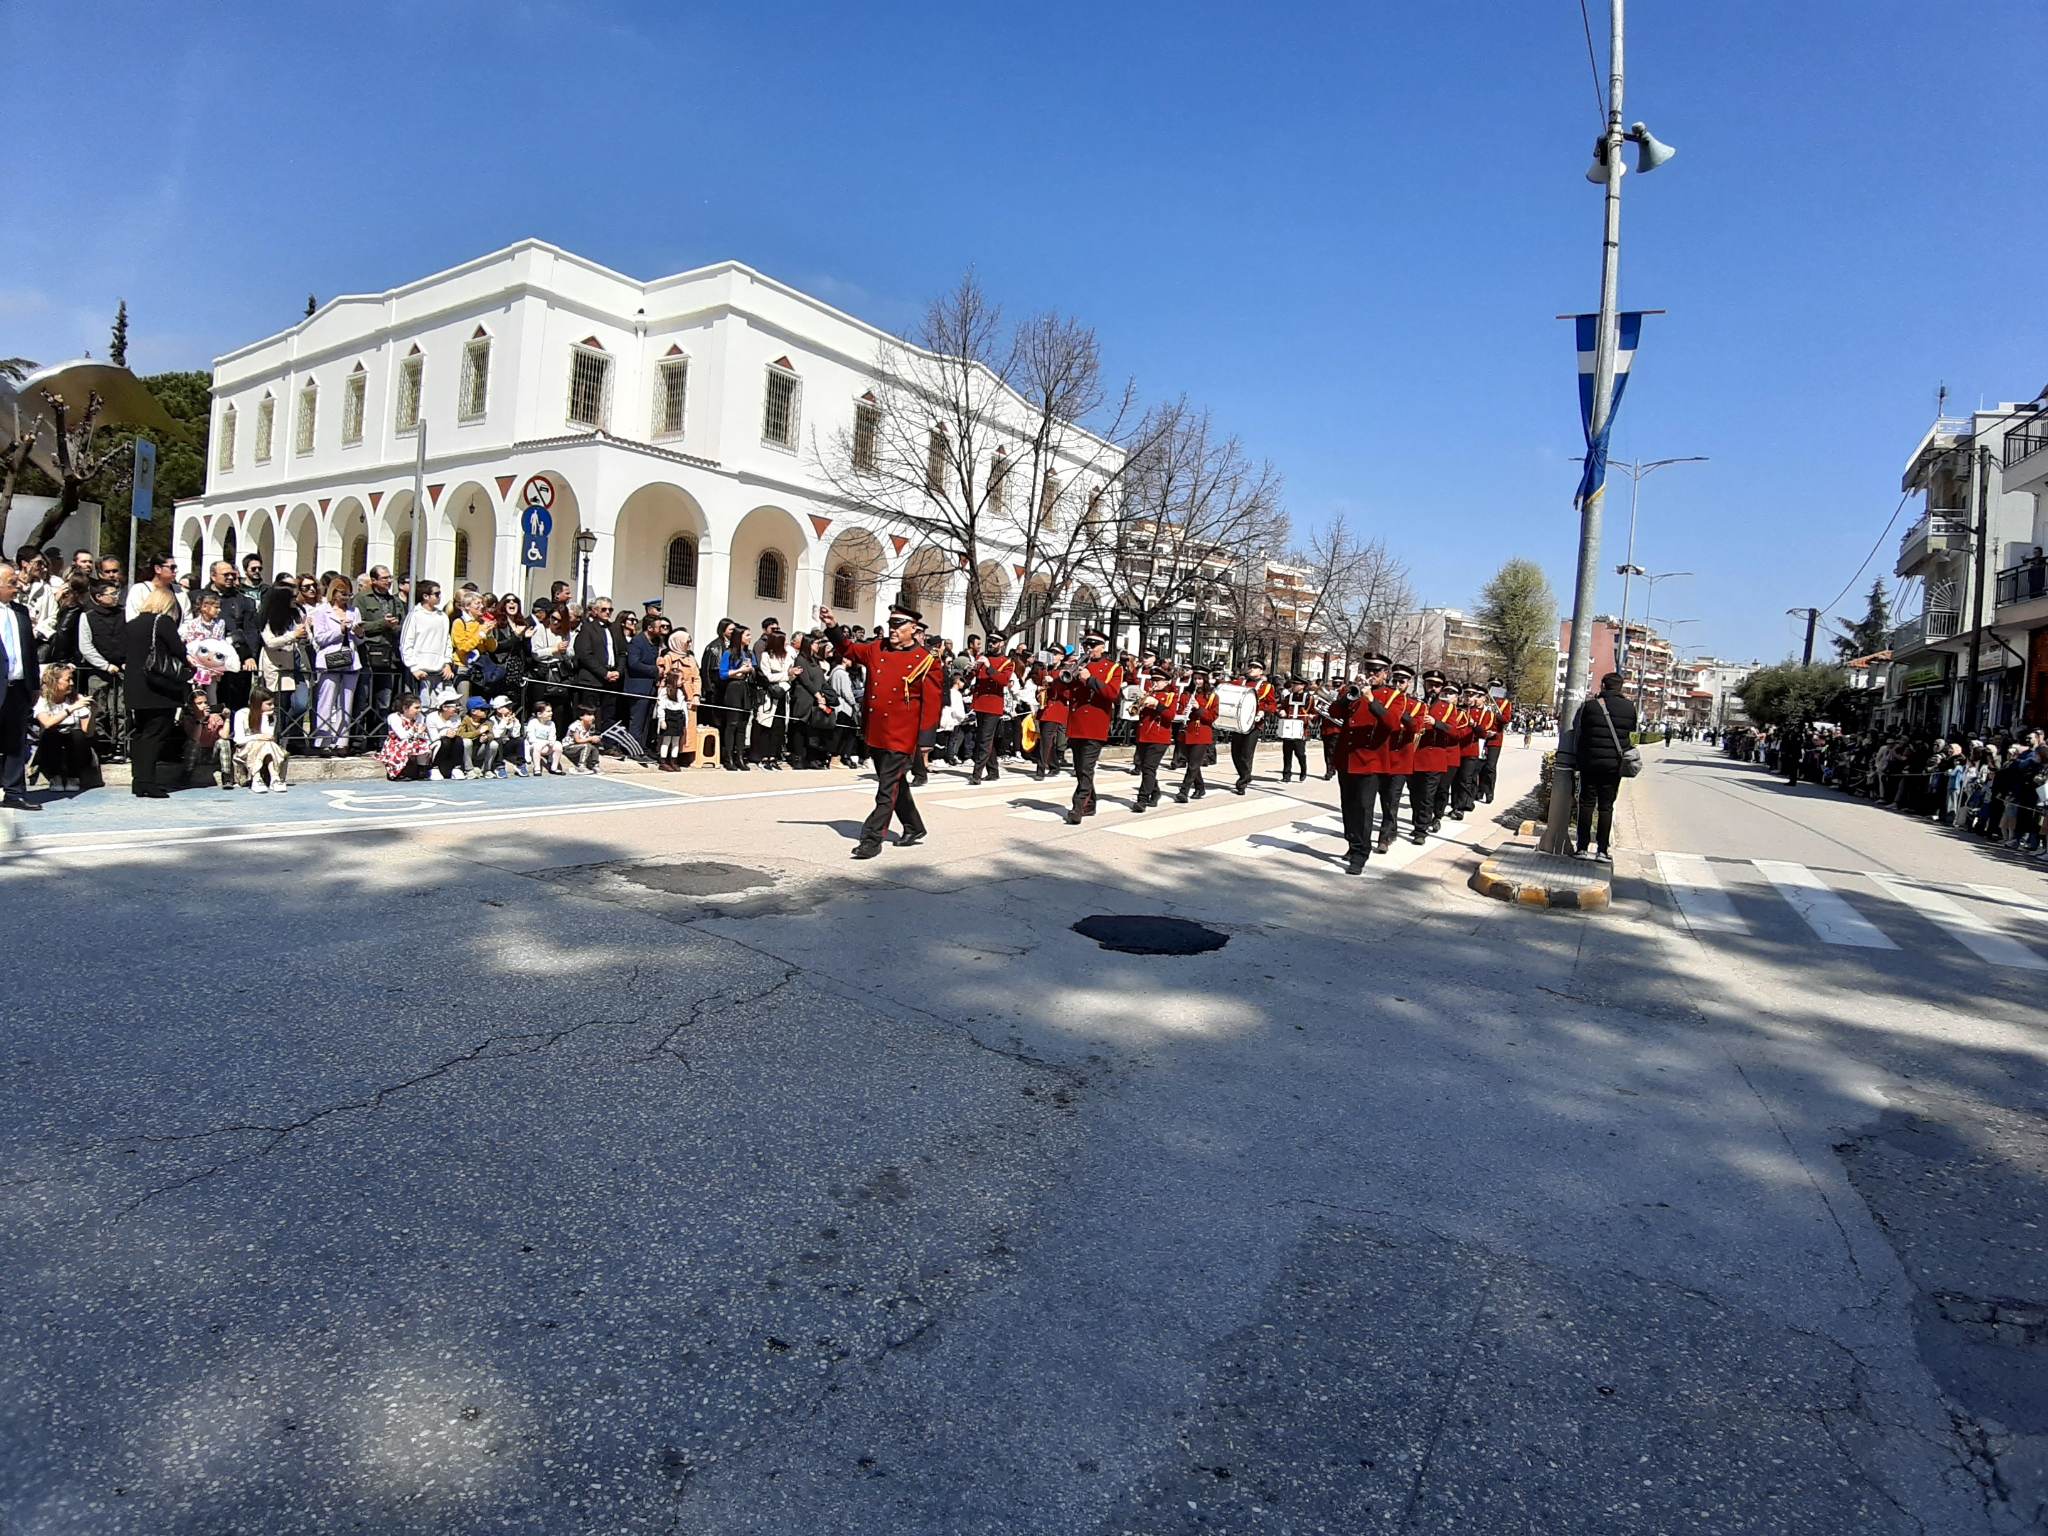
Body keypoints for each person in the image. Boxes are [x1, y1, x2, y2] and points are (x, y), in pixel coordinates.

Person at [822, 603, 940, 860]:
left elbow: (932, 703)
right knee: (895, 783)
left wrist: (926, 739)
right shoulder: (878, 648)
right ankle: (914, 826)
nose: (893, 629)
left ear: (914, 628)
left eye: (899, 625)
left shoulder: (926, 661)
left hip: (902, 736)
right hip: (876, 731)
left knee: (885, 789)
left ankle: (871, 838)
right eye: (891, 624)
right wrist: (832, 626)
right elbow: (849, 649)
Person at [1334, 655, 1416, 873]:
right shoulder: (1353, 691)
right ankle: (1352, 844)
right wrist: (1349, 693)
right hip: (1347, 757)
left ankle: (1361, 853)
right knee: (1348, 806)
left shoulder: (1395, 697)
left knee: (1363, 807)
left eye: (1376, 672)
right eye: (1368, 670)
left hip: (1371, 759)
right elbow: (1335, 713)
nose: (1371, 675)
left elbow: (1391, 724)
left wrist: (1370, 698)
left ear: (1385, 674)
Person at [122, 585, 187, 799]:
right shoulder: (163, 622)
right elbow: (178, 650)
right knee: (155, 735)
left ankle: (139, 780)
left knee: (141, 734)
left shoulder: (132, 625)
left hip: (136, 687)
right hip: (159, 688)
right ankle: (149, 782)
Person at [1055, 630, 1123, 824]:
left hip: (1095, 724)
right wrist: (1062, 676)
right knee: (1080, 768)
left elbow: (1112, 693)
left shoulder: (1113, 668)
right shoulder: (1078, 665)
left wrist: (1090, 679)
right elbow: (1065, 694)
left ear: (1103, 647)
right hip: (1076, 723)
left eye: (1093, 646)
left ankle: (1077, 807)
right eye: (1086, 645)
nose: (1089, 649)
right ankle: (1090, 803)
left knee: (1086, 768)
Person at [1573, 670, 1638, 861]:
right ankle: (1602, 850)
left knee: (1586, 804)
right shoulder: (1629, 708)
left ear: (1603, 685)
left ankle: (1582, 848)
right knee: (1606, 806)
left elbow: (1580, 731)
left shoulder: (1590, 706)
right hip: (1613, 765)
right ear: (1621, 687)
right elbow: (1631, 734)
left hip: (1590, 762)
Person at [305, 576, 361, 753]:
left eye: (349, 594)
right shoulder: (322, 611)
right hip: (329, 659)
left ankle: (341, 742)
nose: (346, 598)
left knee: (346, 703)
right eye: (343, 594)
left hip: (350, 660)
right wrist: (340, 630)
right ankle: (323, 741)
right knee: (326, 700)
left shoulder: (354, 611)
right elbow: (320, 638)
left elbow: (359, 641)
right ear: (334, 593)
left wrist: (359, 633)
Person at [31, 662, 94, 792]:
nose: (71, 683)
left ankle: (73, 776)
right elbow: (47, 723)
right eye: (67, 679)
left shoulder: (77, 698)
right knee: (51, 734)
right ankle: (55, 776)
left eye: (72, 679)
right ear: (54, 681)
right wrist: (70, 709)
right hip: (51, 743)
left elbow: (87, 732)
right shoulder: (42, 700)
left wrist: (93, 713)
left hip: (74, 744)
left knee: (77, 735)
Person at [354, 565, 406, 722]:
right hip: (368, 654)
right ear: (374, 580)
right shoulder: (362, 599)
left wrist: (395, 626)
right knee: (364, 698)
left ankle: (379, 738)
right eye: (385, 578)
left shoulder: (394, 601)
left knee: (384, 699)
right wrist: (383, 624)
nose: (389, 581)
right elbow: (359, 626)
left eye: (390, 577)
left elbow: (402, 625)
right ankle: (358, 740)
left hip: (389, 656)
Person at [1131, 667, 1180, 812]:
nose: (1154, 683)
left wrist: (1156, 705)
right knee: (1146, 767)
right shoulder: (1148, 694)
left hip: (1159, 737)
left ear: (1166, 682)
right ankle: (1156, 791)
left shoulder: (1171, 696)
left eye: (1158, 681)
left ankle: (1142, 799)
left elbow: (1170, 716)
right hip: (1144, 735)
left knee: (1149, 768)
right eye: (1153, 680)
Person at [1224, 662, 1278, 794]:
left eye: (1254, 668)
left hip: (1254, 724)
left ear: (1261, 671)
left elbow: (1272, 704)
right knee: (1235, 752)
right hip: (1239, 722)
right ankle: (1246, 775)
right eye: (1250, 667)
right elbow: (1226, 687)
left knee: (1246, 754)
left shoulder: (1266, 687)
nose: (1251, 669)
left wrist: (1263, 712)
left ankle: (1242, 782)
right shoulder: (1240, 683)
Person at [969, 631, 1015, 783]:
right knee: (985, 738)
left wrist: (989, 667)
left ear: (1002, 644)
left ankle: (976, 774)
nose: (991, 644)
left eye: (995, 642)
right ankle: (993, 770)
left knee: (984, 739)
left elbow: (1003, 680)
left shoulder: (1007, 662)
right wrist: (971, 669)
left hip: (993, 705)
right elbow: (973, 678)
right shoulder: (981, 658)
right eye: (990, 641)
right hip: (980, 703)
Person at [571, 596, 623, 733]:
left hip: (612, 679)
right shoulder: (587, 629)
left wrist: (618, 671)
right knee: (589, 714)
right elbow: (585, 655)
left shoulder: (615, 629)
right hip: (592, 680)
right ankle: (587, 741)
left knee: (609, 714)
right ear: (595, 611)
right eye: (604, 609)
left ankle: (607, 743)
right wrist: (604, 673)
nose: (608, 612)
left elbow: (622, 653)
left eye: (610, 609)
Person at [400, 581, 456, 707]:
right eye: (436, 594)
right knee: (421, 706)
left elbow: (447, 641)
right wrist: (413, 667)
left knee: (439, 706)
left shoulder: (442, 616)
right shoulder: (415, 615)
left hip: (439, 671)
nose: (439, 596)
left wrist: (447, 663)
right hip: (420, 672)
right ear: (425, 596)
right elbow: (406, 643)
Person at [1174, 669, 1221, 803]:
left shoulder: (1212, 696)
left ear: (1205, 680)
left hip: (1202, 732)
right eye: (1195, 679)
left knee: (1193, 765)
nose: (1197, 682)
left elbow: (1212, 717)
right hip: (1186, 732)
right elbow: (1179, 711)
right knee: (1192, 763)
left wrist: (1198, 708)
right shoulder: (1186, 694)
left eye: (1200, 679)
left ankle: (1184, 791)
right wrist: (1184, 711)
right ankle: (1200, 787)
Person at [716, 623, 757, 770]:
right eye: (747, 635)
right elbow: (722, 674)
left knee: (742, 725)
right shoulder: (729, 653)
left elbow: (754, 670)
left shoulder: (749, 653)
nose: (750, 638)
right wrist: (738, 670)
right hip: (733, 687)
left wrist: (750, 669)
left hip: (745, 688)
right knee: (732, 724)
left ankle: (740, 756)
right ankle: (728, 757)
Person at [233, 688, 289, 793]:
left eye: (273, 704)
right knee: (260, 742)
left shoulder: (271, 716)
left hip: (266, 750)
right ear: (258, 703)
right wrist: (257, 737)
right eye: (269, 704)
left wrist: (264, 717)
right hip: (244, 750)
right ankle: (258, 777)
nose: (272, 707)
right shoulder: (242, 714)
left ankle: (273, 778)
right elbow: (239, 740)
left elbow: (268, 736)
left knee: (266, 743)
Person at [623, 613, 665, 750]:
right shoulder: (637, 642)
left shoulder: (656, 643)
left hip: (651, 688)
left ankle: (642, 747)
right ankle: (633, 748)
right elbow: (633, 663)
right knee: (637, 721)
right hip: (638, 687)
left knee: (647, 720)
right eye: (659, 627)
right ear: (650, 628)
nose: (662, 629)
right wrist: (655, 670)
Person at [124, 553, 186, 621]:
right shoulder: (139, 590)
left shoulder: (179, 591)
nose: (176, 571)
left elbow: (187, 618)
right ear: (158, 569)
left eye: (175, 567)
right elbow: (132, 618)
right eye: (172, 567)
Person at [523, 701, 568, 775]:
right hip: (534, 747)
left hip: (546, 746)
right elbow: (531, 739)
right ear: (539, 714)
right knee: (537, 746)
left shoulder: (551, 724)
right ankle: (537, 768)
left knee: (558, 745)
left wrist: (550, 742)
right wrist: (545, 742)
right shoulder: (533, 722)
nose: (551, 713)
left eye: (551, 711)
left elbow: (552, 736)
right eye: (548, 711)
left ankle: (554, 767)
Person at [563, 707, 603, 773]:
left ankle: (594, 765)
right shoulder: (575, 725)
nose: (592, 717)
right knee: (587, 746)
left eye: (593, 715)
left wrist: (596, 739)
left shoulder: (591, 726)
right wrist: (590, 738)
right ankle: (581, 766)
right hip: (569, 747)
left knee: (595, 746)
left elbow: (588, 737)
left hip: (580, 746)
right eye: (589, 715)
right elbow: (577, 740)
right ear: (581, 717)